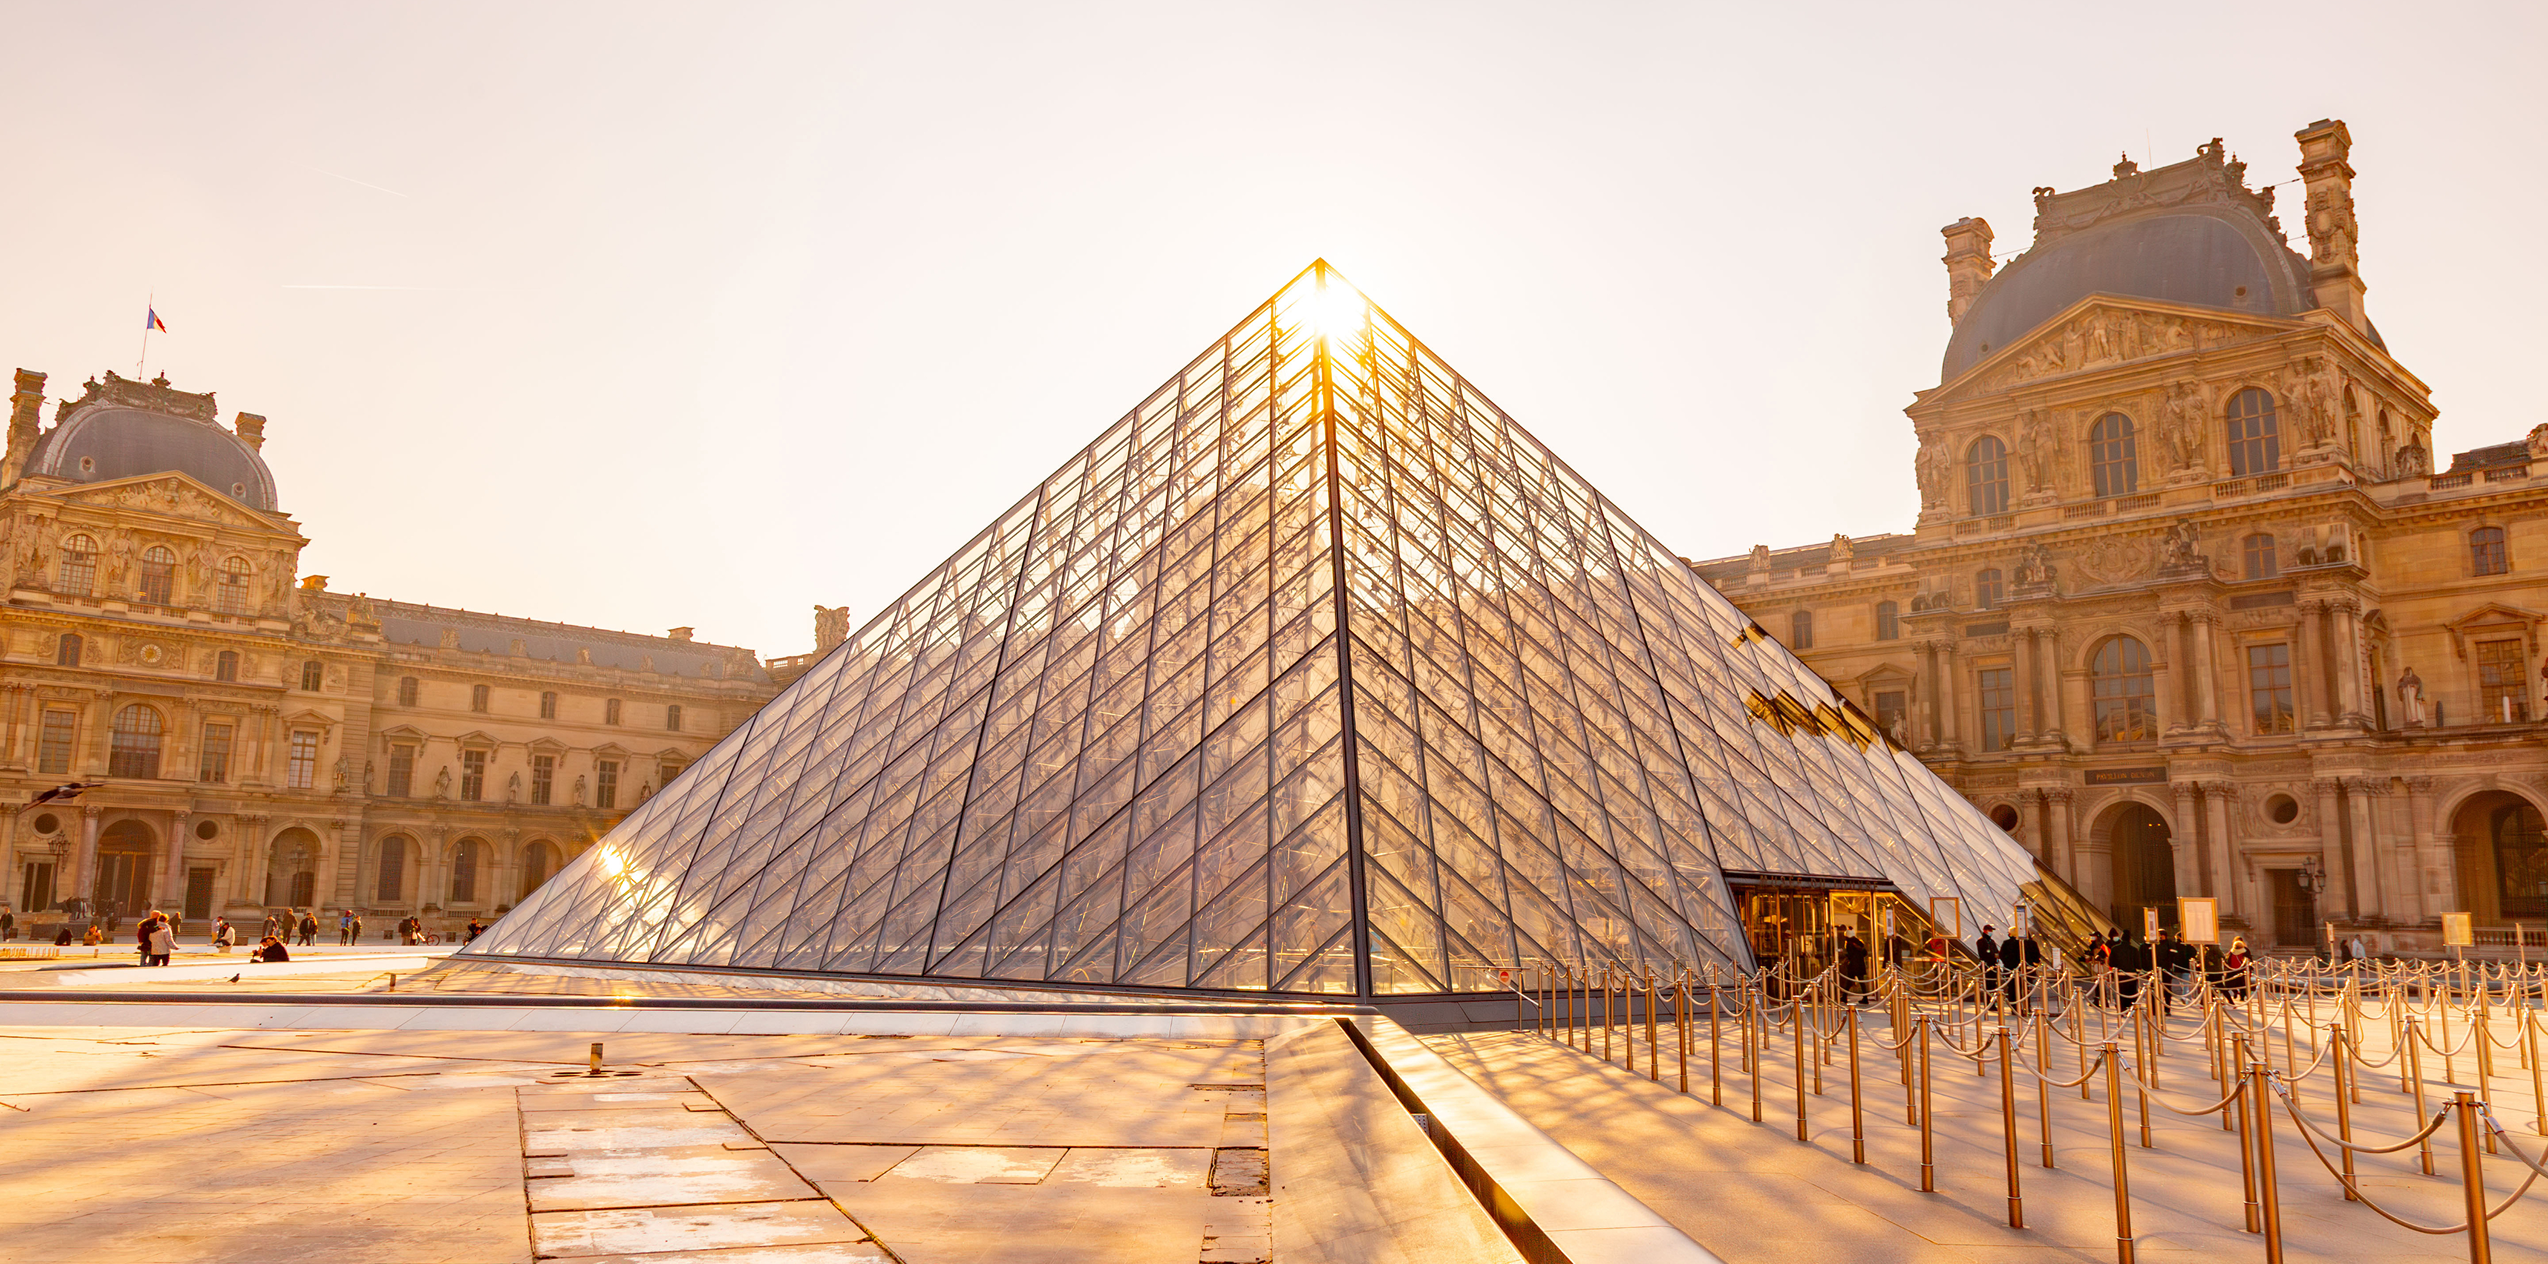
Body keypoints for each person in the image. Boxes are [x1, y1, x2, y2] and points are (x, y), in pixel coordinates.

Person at [1837, 926, 1871, 1004]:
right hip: (1860, 964)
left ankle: (1845, 997)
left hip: (1853, 965)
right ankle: (1865, 997)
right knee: (1861, 982)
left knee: (1849, 981)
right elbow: (1864, 953)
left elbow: (1850, 954)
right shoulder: (1859, 942)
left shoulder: (1849, 943)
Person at [1974, 924, 2002, 1004]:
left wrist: (1997, 955)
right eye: (1990, 930)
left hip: (1993, 965)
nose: (1991, 932)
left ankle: (1992, 1001)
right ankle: (1989, 1002)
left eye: (1991, 930)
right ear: (1985, 931)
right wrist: (1992, 956)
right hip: (1987, 965)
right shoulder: (1981, 941)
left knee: (1993, 984)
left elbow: (1996, 951)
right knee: (1988, 984)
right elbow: (1983, 954)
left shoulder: (1991, 941)